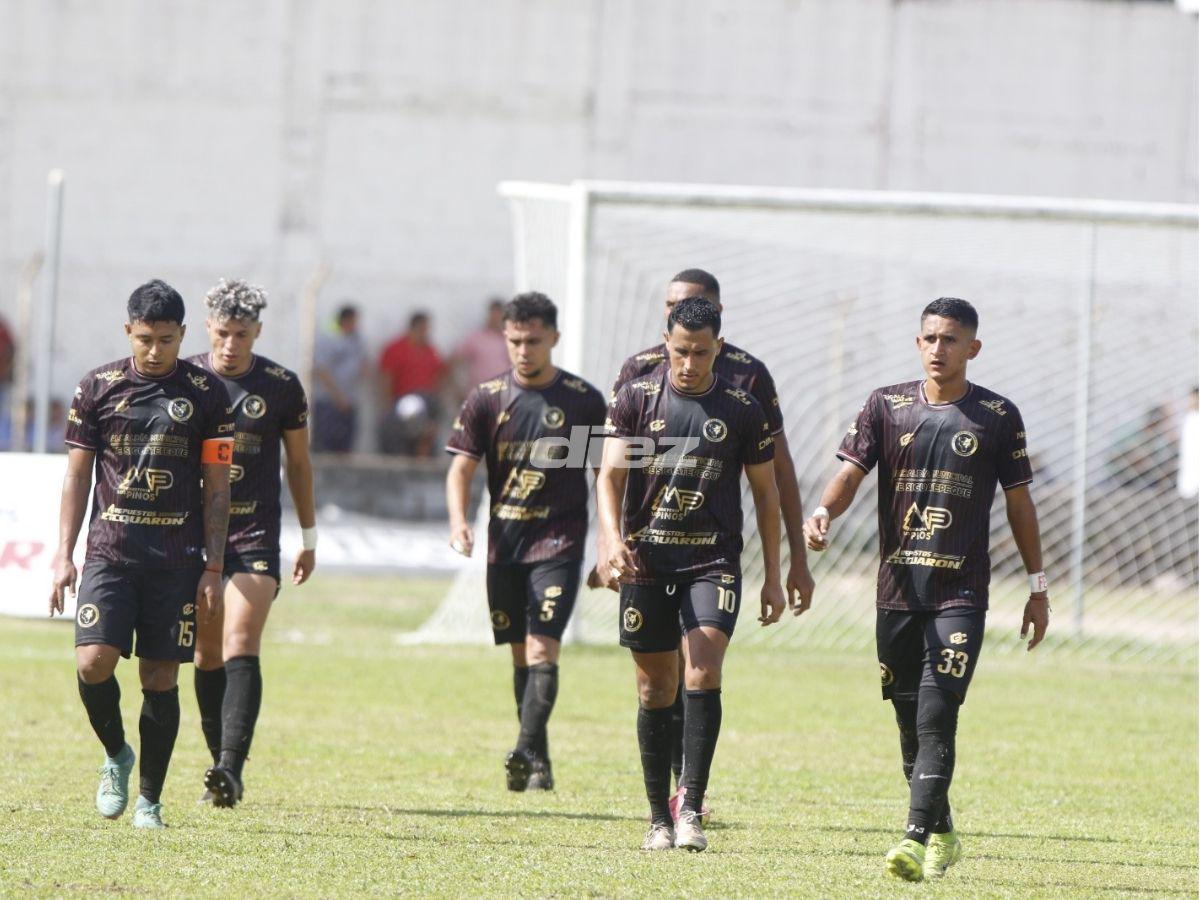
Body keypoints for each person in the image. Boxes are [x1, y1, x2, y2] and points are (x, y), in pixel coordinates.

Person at [802, 297, 1050, 881]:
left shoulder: (997, 415)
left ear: (973, 348)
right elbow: (850, 473)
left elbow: (1020, 503)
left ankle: (912, 838)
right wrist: (822, 512)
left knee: (940, 714)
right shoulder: (885, 407)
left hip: (960, 592)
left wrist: (1037, 587)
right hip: (896, 592)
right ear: (918, 343)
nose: (939, 349)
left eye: (951, 339)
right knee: (910, 723)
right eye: (930, 338)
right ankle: (942, 830)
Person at [606, 268, 815, 818]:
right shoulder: (636, 383)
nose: (689, 362)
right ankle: (662, 808)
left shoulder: (747, 389)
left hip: (712, 556)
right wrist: (606, 544)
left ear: (719, 339)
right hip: (648, 556)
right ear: (666, 330)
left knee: (700, 667)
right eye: (680, 349)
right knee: (658, 684)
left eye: (702, 352)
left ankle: (690, 802)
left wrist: (786, 563)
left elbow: (771, 482)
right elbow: (610, 475)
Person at [48, 279, 234, 830]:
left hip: (176, 561)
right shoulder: (97, 387)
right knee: (92, 662)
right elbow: (77, 476)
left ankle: (149, 801)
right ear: (127, 331)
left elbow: (217, 485)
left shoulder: (207, 394)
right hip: (111, 553)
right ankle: (116, 754)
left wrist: (215, 566)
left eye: (167, 340)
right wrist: (63, 554)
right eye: (145, 339)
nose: (155, 352)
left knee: (160, 677)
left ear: (182, 336)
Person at [445, 292, 606, 792]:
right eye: (514, 340)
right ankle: (538, 759)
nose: (523, 350)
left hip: (558, 542)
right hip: (505, 546)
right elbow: (460, 469)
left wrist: (609, 542)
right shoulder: (487, 398)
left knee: (542, 649)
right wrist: (458, 523)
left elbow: (604, 474)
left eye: (533, 340)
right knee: (520, 655)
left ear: (553, 338)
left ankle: (520, 748)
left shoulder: (581, 400)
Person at [189, 278, 317, 807]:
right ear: (208, 329)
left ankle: (230, 768)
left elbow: (300, 464)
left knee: (242, 639)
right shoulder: (186, 379)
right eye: (222, 333)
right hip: (195, 537)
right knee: (205, 652)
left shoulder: (282, 387)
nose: (231, 344)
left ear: (257, 332)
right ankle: (220, 762)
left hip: (255, 532)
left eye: (242, 334)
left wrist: (309, 536)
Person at [379, 311, 446, 456]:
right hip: (402, 401)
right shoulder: (396, 348)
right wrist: (386, 403)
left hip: (426, 402)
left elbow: (438, 374)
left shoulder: (430, 349)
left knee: (425, 436)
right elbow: (386, 377)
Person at [311, 304, 366, 453]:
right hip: (329, 401)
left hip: (349, 401)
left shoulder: (356, 340)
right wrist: (338, 397)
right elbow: (322, 371)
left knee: (345, 446)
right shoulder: (329, 339)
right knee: (326, 445)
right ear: (346, 320)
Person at [452, 298, 510, 392]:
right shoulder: (476, 338)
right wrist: (458, 389)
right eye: (494, 314)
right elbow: (455, 361)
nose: (496, 318)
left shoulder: (510, 339)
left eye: (499, 315)